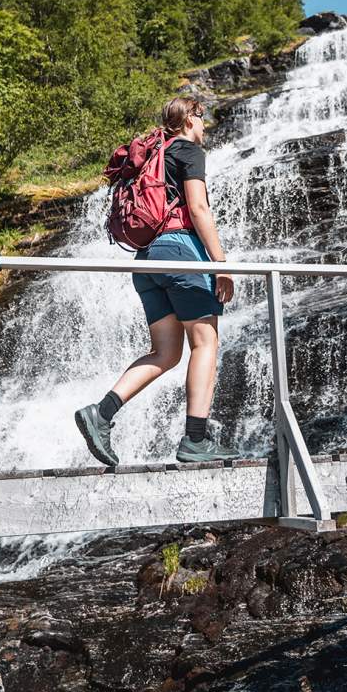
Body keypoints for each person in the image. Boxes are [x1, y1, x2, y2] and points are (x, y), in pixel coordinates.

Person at [75, 96, 237, 466]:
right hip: (180, 251)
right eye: (202, 117)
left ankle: (101, 413)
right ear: (190, 118)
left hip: (147, 259)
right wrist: (222, 264)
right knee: (205, 343)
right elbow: (198, 208)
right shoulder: (188, 151)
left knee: (166, 353)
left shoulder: (154, 154)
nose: (205, 125)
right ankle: (196, 439)